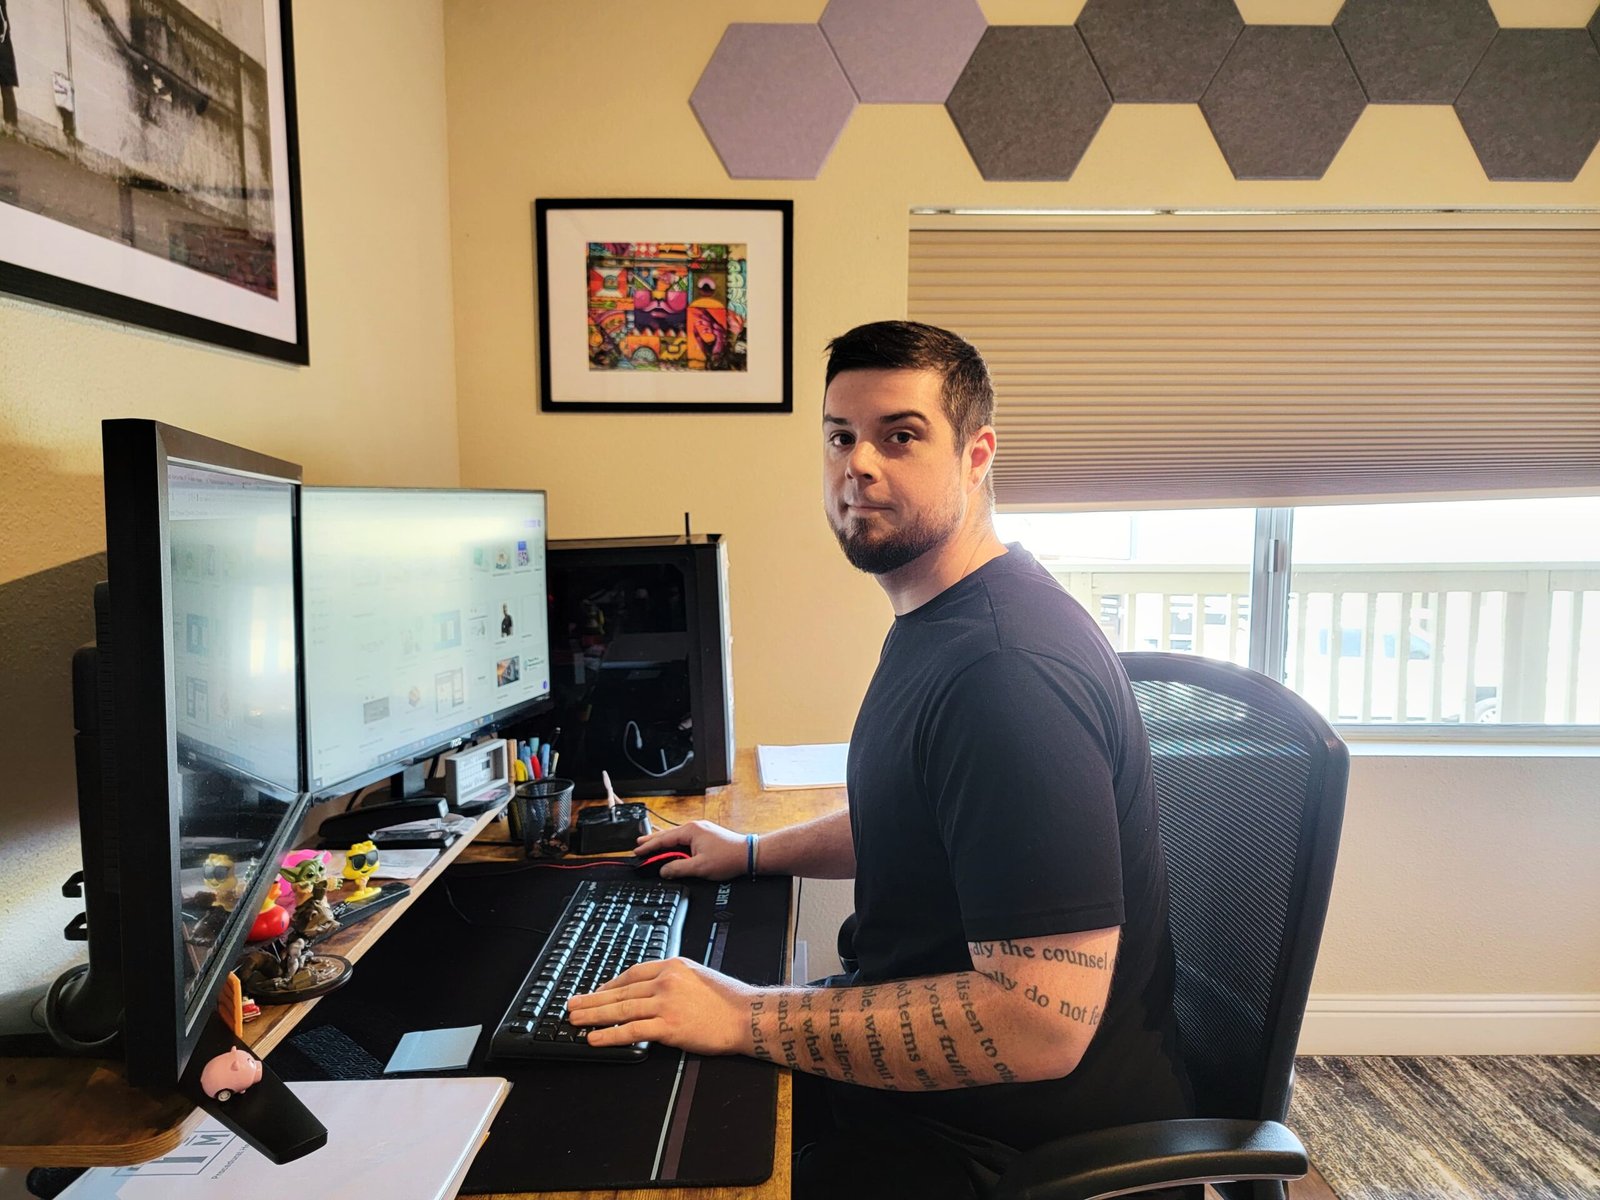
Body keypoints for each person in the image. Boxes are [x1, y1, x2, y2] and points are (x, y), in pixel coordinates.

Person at [566, 320, 1192, 1198]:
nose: (858, 464)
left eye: (900, 436)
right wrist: (749, 853)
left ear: (977, 457)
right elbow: (923, 818)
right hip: (940, 1098)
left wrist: (747, 1015)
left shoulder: (1005, 673)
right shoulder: (943, 617)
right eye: (839, 436)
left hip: (1004, 1146)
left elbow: (1038, 1024)